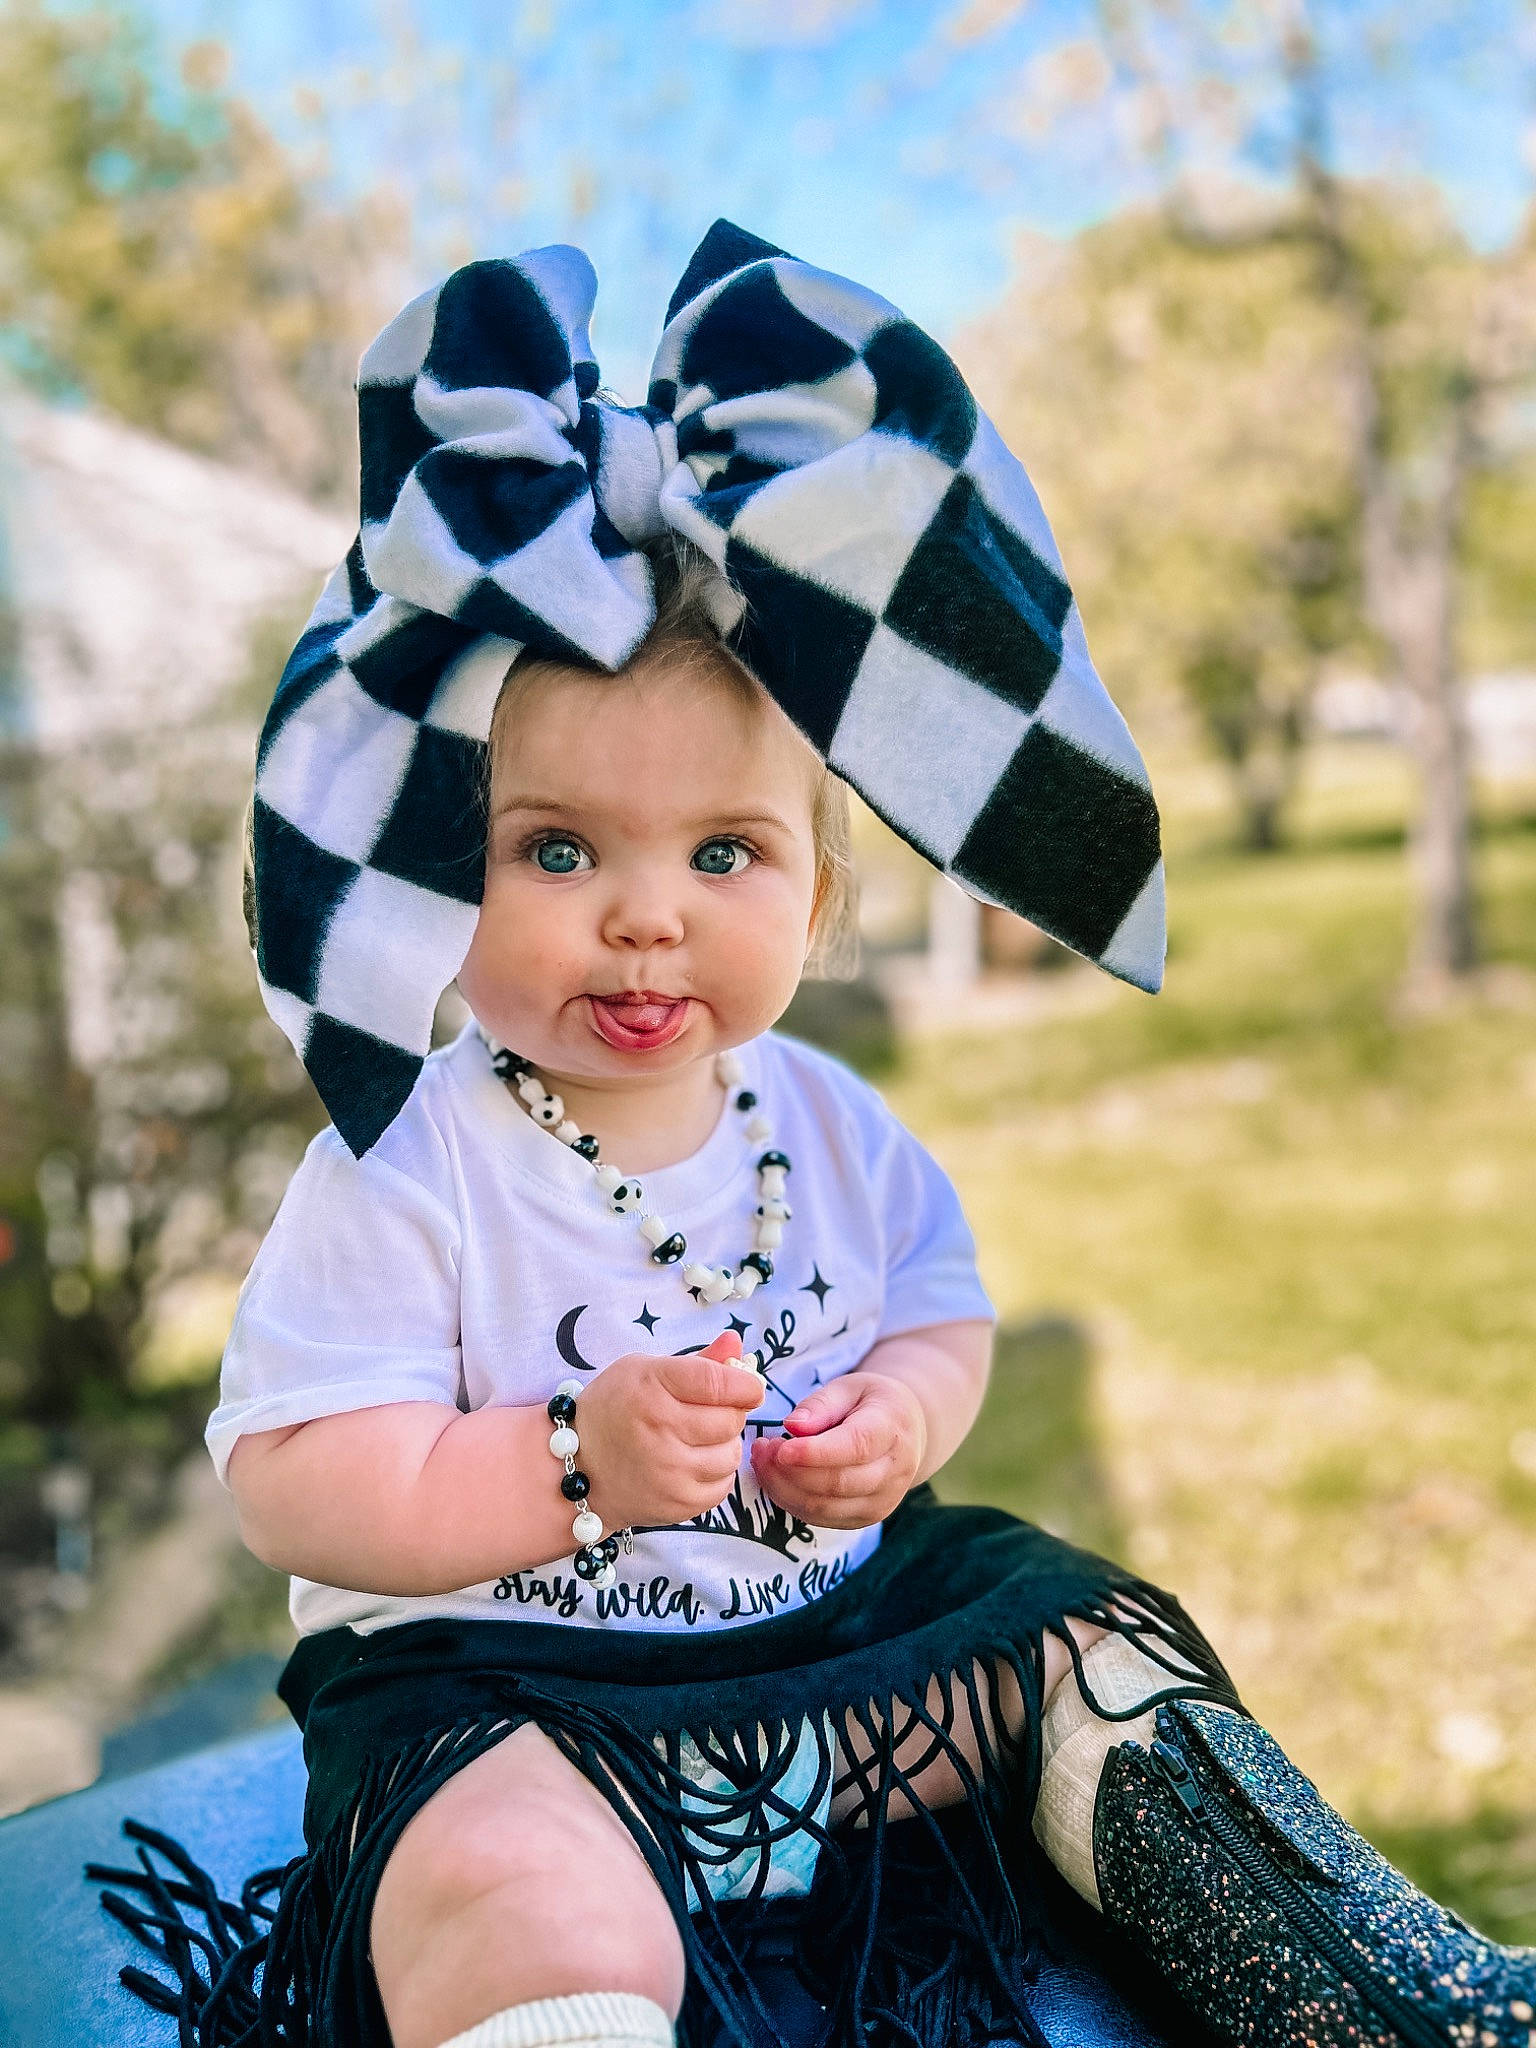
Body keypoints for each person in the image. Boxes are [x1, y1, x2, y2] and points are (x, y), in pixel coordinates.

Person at [96, 220, 1535, 2048]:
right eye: (556, 850)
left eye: (723, 856)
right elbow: (288, 1478)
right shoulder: (411, 1155)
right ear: (436, 877)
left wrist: (902, 1423)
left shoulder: (832, 1126)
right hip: (526, 1702)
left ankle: (1359, 1987)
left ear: (820, 893)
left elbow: (941, 1313)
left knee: (1090, 1657)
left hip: (841, 1695)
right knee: (501, 1872)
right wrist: (566, 1458)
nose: (646, 917)